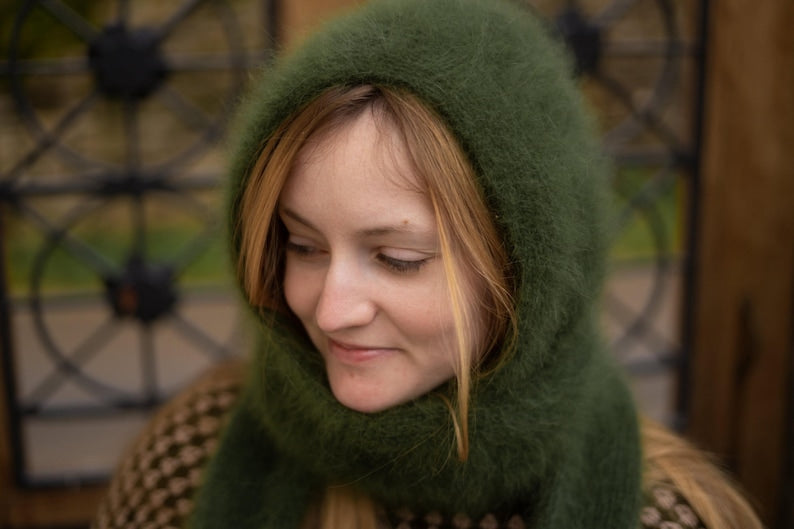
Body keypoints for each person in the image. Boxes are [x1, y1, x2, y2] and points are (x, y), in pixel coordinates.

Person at [93, 1, 763, 528]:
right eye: (303, 245)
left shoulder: (666, 516)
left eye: (397, 258)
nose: (331, 310)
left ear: (529, 273)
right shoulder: (189, 459)